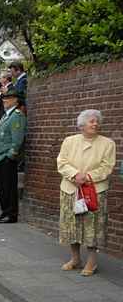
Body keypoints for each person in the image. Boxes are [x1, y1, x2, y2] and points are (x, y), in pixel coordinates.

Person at [57, 110, 116, 277]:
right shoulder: (69, 141)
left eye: (97, 121)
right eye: (91, 121)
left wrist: (88, 177)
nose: (95, 124)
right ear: (81, 125)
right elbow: (61, 162)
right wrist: (75, 175)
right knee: (72, 225)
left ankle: (92, 261)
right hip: (70, 189)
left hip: (94, 191)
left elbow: (107, 166)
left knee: (92, 227)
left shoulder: (107, 143)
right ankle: (75, 259)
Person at [0, 88, 26, 224]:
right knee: (1, 187)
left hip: (7, 156)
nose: (4, 100)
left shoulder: (17, 116)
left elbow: (17, 139)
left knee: (9, 187)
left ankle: (12, 214)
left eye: (8, 98)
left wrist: (11, 155)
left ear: (16, 100)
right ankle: (4, 211)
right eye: (4, 98)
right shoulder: (5, 115)